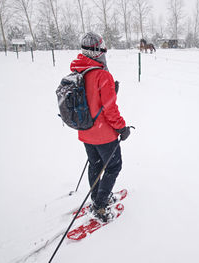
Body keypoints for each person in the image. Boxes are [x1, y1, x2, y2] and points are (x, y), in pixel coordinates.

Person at [70, 32, 131, 221]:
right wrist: (122, 128)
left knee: (95, 165)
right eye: (103, 49)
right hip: (104, 134)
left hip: (85, 131)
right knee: (113, 167)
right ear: (97, 52)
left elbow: (92, 100)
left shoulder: (78, 71)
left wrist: (111, 91)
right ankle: (101, 205)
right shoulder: (102, 75)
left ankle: (97, 197)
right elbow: (109, 110)